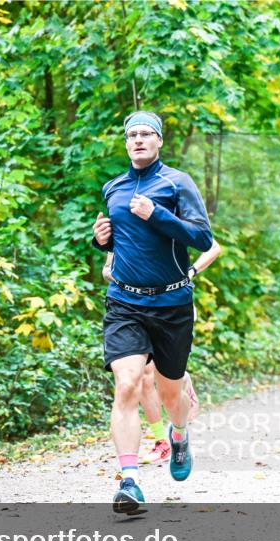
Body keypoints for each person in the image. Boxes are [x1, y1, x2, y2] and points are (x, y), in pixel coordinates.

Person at [91, 110, 216, 514]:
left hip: (171, 303)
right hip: (125, 301)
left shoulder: (177, 183)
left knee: (170, 393)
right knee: (126, 384)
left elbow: (201, 237)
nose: (139, 140)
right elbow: (123, 245)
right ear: (126, 142)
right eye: (132, 135)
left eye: (147, 134)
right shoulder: (114, 187)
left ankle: (178, 433)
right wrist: (101, 241)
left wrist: (159, 215)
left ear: (159, 140)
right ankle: (129, 481)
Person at [101, 240, 221, 464]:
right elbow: (107, 269)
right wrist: (122, 277)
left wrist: (191, 271)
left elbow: (213, 246)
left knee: (164, 383)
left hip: (172, 305)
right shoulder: (123, 223)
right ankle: (161, 442)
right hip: (132, 307)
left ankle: (180, 383)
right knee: (141, 378)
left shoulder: (173, 214)